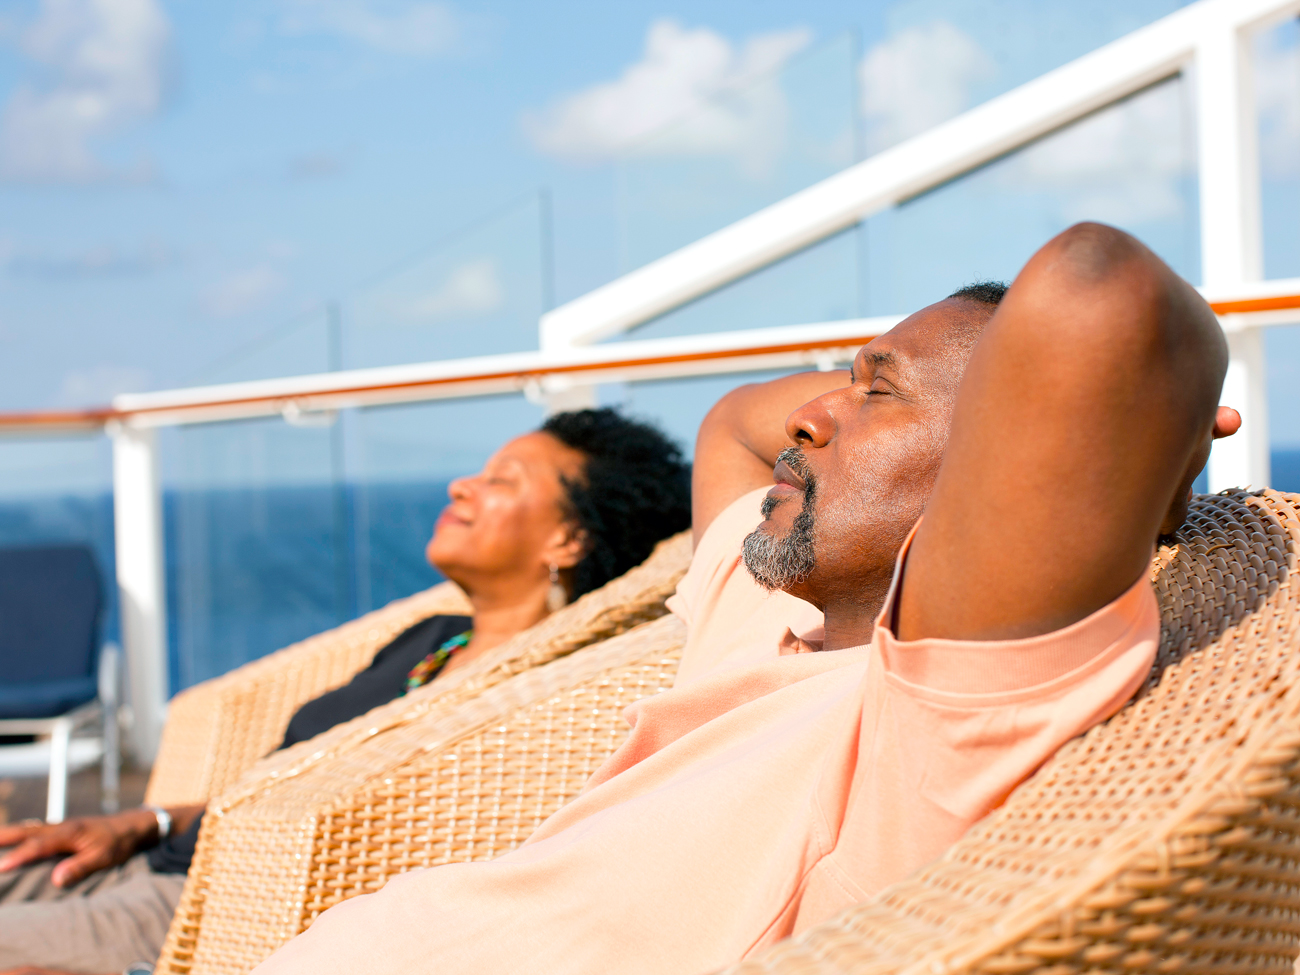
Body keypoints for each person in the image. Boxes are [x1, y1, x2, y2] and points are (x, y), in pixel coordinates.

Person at [247, 223, 1240, 975]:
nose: (804, 416)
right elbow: (728, 425)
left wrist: (1155, 450)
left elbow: (1099, 289)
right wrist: (872, 391)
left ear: (999, 465)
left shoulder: (928, 715)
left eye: (877, 394)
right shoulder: (769, 608)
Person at [0, 408, 692, 975]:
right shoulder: (431, 638)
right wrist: (138, 821)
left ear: (569, 538)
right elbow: (281, 786)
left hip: (197, 911)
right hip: (150, 859)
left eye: (501, 480)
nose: (460, 485)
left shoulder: (543, 699)